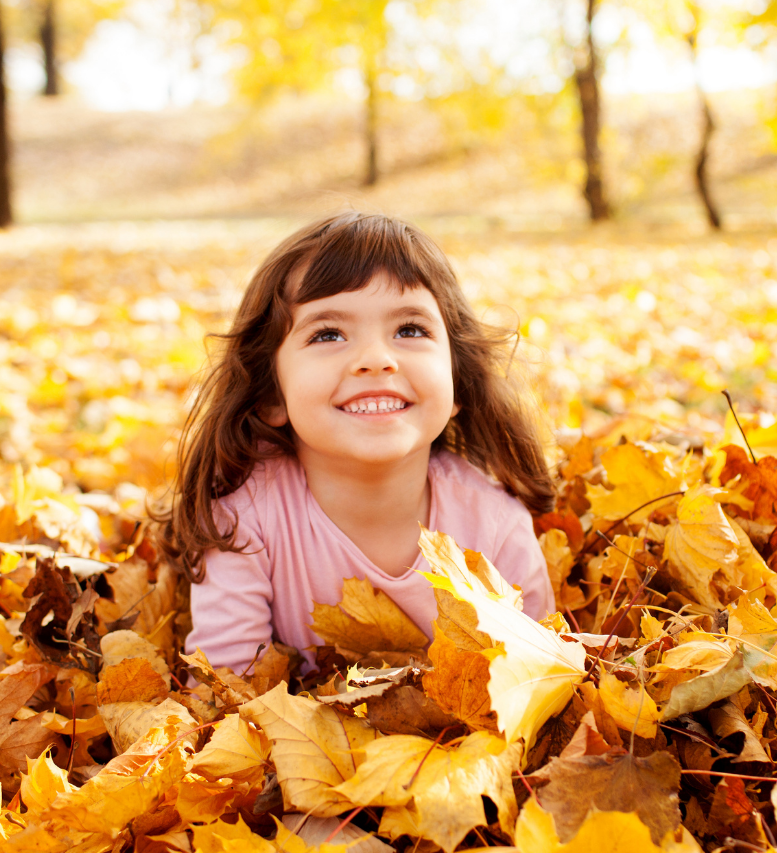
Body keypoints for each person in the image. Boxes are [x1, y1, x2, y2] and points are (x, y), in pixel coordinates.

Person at [160, 212, 554, 673]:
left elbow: (538, 679)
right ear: (271, 394)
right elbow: (226, 687)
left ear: (458, 381)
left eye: (410, 330)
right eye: (328, 334)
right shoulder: (245, 519)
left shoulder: (496, 527)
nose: (376, 358)